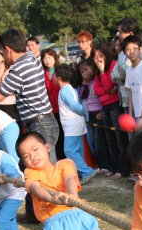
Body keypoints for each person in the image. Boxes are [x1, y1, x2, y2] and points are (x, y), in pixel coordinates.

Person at [0, 29, 60, 224]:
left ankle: (54, 214)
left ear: (7, 49)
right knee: (30, 169)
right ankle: (34, 213)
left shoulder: (19, 68)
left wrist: (1, 69)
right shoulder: (31, 58)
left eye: (3, 52)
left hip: (40, 124)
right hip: (42, 122)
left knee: (45, 172)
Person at [53, 64, 97, 184]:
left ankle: (87, 171)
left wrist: (83, 113)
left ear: (58, 77)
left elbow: (75, 106)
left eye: (54, 75)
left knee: (69, 150)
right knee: (77, 150)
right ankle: (81, 173)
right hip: (76, 124)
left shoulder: (64, 90)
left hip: (72, 124)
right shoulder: (69, 88)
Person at [92, 42, 129, 179]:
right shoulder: (97, 71)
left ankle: (123, 169)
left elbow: (108, 86)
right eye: (95, 57)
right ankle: (113, 167)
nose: (98, 59)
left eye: (100, 56)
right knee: (110, 141)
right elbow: (97, 90)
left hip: (115, 106)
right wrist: (107, 90)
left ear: (106, 54)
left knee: (120, 140)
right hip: (105, 107)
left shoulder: (113, 65)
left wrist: (102, 72)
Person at [78, 59, 106, 173]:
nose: (84, 73)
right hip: (91, 115)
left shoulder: (97, 80)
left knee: (100, 142)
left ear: (93, 67)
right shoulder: (86, 83)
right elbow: (82, 95)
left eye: (86, 69)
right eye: (82, 72)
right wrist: (84, 81)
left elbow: (104, 96)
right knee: (93, 142)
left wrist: (103, 111)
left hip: (100, 113)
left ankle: (105, 165)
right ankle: (99, 165)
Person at [123, 35, 142, 123]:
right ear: (124, 53)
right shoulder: (128, 70)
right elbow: (131, 93)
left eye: (134, 48)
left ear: (140, 49)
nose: (131, 52)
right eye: (128, 49)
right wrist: (130, 115)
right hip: (137, 113)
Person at [41, 48, 65, 161]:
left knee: (64, 134)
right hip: (50, 110)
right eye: (45, 58)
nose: (47, 60)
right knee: (56, 135)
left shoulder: (60, 71)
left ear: (55, 58)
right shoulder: (42, 74)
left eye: (49, 57)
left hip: (62, 108)